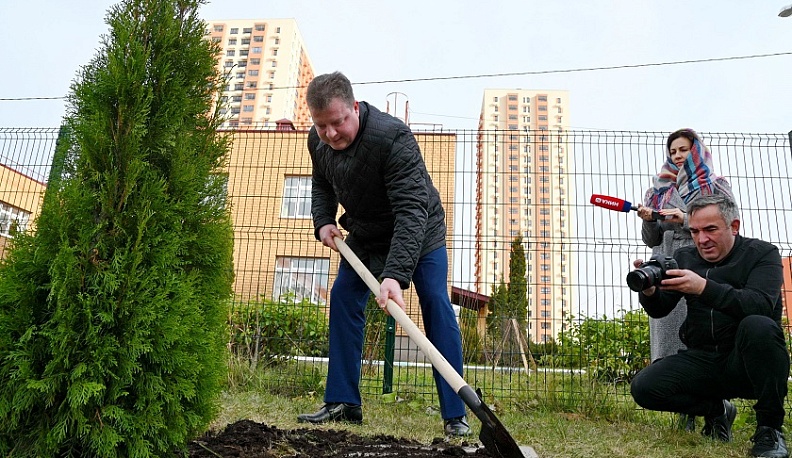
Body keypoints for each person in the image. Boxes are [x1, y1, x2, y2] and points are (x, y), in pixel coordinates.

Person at [296, 72, 471, 437]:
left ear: (355, 108)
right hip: (366, 232)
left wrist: (394, 275)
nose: (330, 133)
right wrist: (324, 220)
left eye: (338, 122)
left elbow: (411, 209)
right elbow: (321, 182)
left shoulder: (392, 138)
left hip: (419, 233)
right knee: (344, 296)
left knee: (436, 304)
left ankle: (456, 413)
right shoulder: (318, 140)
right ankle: (343, 402)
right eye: (321, 125)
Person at [630, 194, 789, 458]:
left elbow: (759, 305)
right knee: (644, 387)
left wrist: (703, 287)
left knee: (758, 325)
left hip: (747, 362)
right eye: (694, 231)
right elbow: (660, 309)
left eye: (710, 229)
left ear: (734, 226)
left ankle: (769, 430)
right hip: (704, 359)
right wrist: (648, 290)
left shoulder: (763, 254)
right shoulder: (685, 256)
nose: (702, 239)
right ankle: (717, 411)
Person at [637, 128, 733, 432]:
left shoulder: (715, 185)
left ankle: (717, 415)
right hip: (666, 264)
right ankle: (686, 410)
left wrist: (687, 219)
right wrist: (648, 219)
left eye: (683, 150)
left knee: (702, 335)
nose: (677, 156)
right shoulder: (657, 191)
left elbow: (729, 222)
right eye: (673, 152)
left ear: (696, 152)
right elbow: (650, 238)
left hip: (704, 265)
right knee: (668, 340)